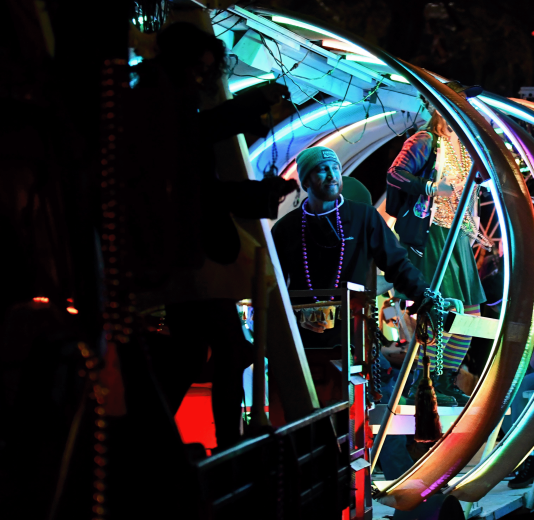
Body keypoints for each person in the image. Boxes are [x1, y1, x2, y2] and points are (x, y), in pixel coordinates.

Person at [130, 22, 299, 450]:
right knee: (223, 347)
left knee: (202, 348)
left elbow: (200, 161)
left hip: (189, 247)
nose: (204, 79)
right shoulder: (163, 105)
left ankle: (162, 437)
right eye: (200, 70)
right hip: (192, 248)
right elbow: (197, 167)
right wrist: (255, 191)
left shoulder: (162, 100)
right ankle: (220, 442)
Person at [385, 83, 491, 406]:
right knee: (441, 312)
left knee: (470, 316)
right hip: (433, 236)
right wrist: (432, 187)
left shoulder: (462, 146)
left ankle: (443, 378)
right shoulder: (426, 140)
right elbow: (395, 175)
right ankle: (428, 380)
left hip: (456, 235)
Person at [271, 146, 430, 348]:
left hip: (354, 339)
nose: (331, 175)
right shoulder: (286, 228)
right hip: (300, 344)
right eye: (322, 169)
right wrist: (298, 314)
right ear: (305, 181)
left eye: (335, 168)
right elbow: (271, 288)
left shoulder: (364, 217)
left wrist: (424, 295)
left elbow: (397, 264)